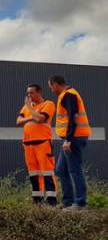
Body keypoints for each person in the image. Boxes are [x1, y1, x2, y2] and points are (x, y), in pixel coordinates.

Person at [48, 75, 92, 211]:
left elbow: (74, 116)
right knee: (61, 170)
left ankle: (80, 203)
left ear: (55, 84)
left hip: (73, 138)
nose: (51, 90)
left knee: (75, 170)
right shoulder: (66, 95)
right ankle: (68, 202)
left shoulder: (69, 95)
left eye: (51, 87)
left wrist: (68, 139)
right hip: (70, 138)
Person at [17, 84, 57, 206]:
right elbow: (18, 122)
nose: (29, 95)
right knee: (34, 174)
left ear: (39, 92)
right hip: (28, 144)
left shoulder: (48, 104)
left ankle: (51, 203)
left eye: (31, 93)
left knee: (47, 173)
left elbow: (40, 119)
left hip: (43, 143)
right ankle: (37, 202)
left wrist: (30, 109)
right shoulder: (26, 107)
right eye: (28, 93)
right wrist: (30, 118)